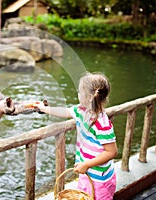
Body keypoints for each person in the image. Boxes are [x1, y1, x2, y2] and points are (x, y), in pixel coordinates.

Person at [34, 72, 117, 200]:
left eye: (79, 92)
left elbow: (111, 152)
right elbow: (66, 111)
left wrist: (87, 164)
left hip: (100, 178)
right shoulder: (81, 111)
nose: (77, 94)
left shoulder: (102, 124)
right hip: (85, 171)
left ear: (89, 97)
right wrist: (45, 109)